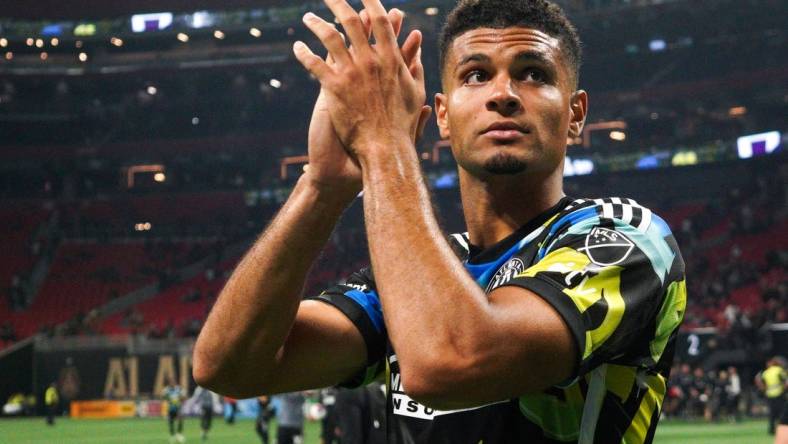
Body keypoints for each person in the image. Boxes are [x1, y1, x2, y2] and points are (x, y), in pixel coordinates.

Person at [193, 0, 687, 442]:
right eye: (476, 74)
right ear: (444, 117)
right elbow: (228, 368)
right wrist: (323, 186)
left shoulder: (628, 239)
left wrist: (384, 145)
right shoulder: (420, 271)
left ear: (576, 114)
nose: (504, 94)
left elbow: (449, 362)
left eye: (534, 73)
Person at [757, 357, 788, 435]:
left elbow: (762, 386)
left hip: (770, 395)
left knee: (772, 413)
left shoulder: (765, 373)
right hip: (780, 394)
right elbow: (785, 382)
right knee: (783, 412)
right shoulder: (779, 370)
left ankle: (771, 430)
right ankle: (782, 429)